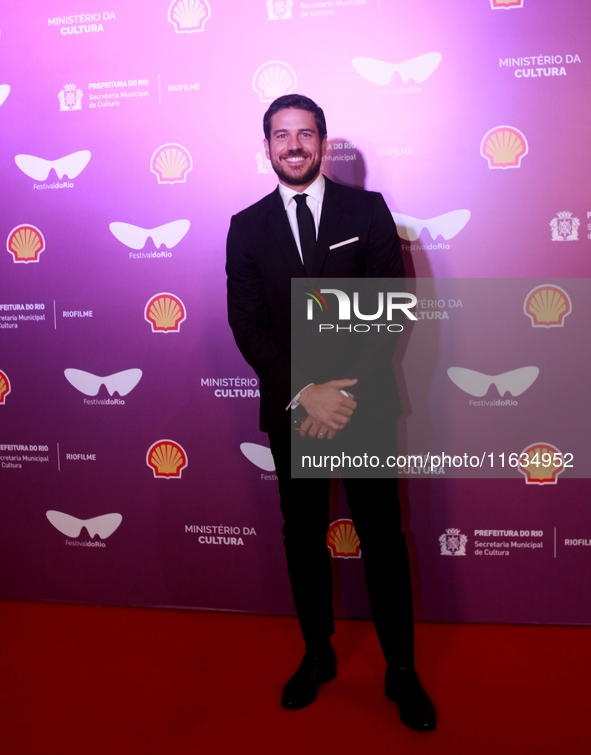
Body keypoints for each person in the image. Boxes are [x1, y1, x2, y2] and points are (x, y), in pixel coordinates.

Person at [226, 94, 436, 732]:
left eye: (305, 133)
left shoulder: (366, 210)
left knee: (381, 536)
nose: (294, 145)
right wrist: (304, 392)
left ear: (323, 141)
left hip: (363, 407)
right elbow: (249, 323)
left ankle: (401, 669)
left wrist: (341, 394)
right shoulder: (246, 225)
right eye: (281, 135)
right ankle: (317, 654)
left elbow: (390, 305)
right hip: (293, 410)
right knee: (302, 536)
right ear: (266, 146)